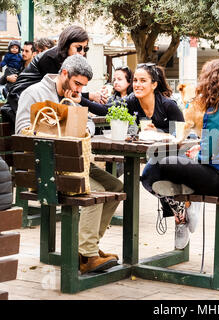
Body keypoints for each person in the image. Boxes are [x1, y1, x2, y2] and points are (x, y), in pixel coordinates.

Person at [15, 54, 123, 274]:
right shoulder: (34, 93)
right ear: (64, 73)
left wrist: (77, 116)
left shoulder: (73, 96)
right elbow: (22, 132)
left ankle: (86, 248)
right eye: (77, 84)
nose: (79, 90)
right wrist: (59, 125)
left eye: (83, 86)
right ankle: (87, 254)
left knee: (116, 187)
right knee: (97, 190)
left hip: (73, 162)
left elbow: (90, 124)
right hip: (47, 168)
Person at [141, 58, 219, 249]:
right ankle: (184, 205)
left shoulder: (218, 109)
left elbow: (205, 157)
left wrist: (195, 155)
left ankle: (182, 210)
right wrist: (201, 150)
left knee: (153, 167)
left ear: (212, 82)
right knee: (172, 161)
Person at [1, 25, 104, 127]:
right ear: (67, 44)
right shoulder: (51, 58)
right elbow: (57, 90)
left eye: (85, 49)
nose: (81, 52)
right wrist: (89, 96)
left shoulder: (65, 61)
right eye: (78, 48)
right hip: (20, 98)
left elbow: (66, 90)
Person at [78, 63, 184, 133]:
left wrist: (158, 131)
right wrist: (80, 99)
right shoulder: (132, 101)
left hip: (172, 153)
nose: (137, 85)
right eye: (135, 80)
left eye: (143, 81)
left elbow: (181, 131)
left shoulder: (168, 105)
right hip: (149, 151)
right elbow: (106, 109)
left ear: (154, 85)